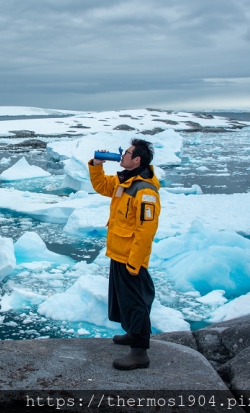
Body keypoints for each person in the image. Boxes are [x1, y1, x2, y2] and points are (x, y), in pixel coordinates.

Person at [88, 138, 160, 370]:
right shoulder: (125, 181)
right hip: (119, 252)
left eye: (126, 152)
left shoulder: (145, 191)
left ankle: (140, 353)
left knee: (136, 301)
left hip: (130, 256)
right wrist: (97, 164)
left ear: (137, 159)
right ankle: (132, 333)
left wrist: (135, 261)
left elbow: (146, 230)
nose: (122, 155)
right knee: (124, 300)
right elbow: (101, 187)